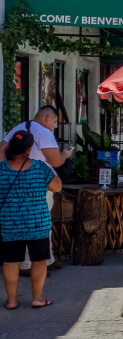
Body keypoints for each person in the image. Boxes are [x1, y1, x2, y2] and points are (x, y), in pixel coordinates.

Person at [0, 106, 73, 271]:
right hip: (38, 186)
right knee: (39, 224)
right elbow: (56, 162)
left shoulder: (18, 128)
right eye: (54, 121)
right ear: (47, 118)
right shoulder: (43, 133)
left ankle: (44, 260)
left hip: (15, 185)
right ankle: (31, 264)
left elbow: (1, 154)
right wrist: (65, 155)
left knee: (18, 223)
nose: (54, 126)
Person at [1, 130, 62, 309]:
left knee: (10, 262)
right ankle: (37, 299)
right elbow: (57, 187)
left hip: (10, 223)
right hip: (37, 223)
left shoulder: (1, 169)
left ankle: (12, 301)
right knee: (39, 260)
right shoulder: (40, 167)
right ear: (29, 148)